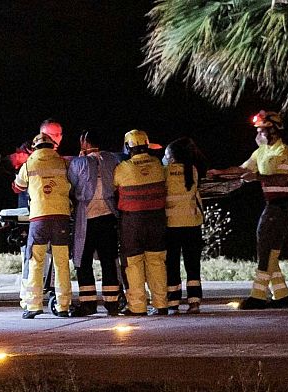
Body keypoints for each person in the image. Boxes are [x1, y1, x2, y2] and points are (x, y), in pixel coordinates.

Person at [208, 110, 288, 310]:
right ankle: (283, 296)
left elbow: (281, 178)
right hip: (273, 206)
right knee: (269, 251)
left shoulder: (283, 152)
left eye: (263, 129)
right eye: (258, 130)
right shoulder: (261, 152)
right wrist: (219, 173)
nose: (259, 134)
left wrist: (256, 177)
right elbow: (242, 169)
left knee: (266, 250)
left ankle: (257, 296)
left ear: (274, 129)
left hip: (283, 207)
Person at [13, 133, 72, 319]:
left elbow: (17, 187)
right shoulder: (63, 162)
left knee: (36, 261)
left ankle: (33, 305)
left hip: (39, 219)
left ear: (35, 147)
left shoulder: (29, 163)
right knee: (61, 262)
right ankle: (63, 306)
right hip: (61, 216)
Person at [67, 129, 122, 317]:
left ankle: (88, 303)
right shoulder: (112, 159)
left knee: (83, 261)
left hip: (87, 217)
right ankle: (112, 303)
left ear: (84, 142)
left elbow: (72, 187)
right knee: (108, 260)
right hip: (109, 215)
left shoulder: (78, 163)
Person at [114, 129, 168, 316]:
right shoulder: (158, 165)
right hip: (157, 220)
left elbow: (113, 188)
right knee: (157, 261)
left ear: (128, 147)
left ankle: (137, 306)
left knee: (133, 262)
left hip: (132, 222)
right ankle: (161, 304)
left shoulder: (123, 168)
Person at [163, 137, 205, 315]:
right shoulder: (192, 170)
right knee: (193, 265)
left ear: (172, 157)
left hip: (171, 226)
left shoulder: (165, 171)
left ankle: (173, 301)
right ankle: (194, 302)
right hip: (192, 224)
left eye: (166, 154)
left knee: (172, 265)